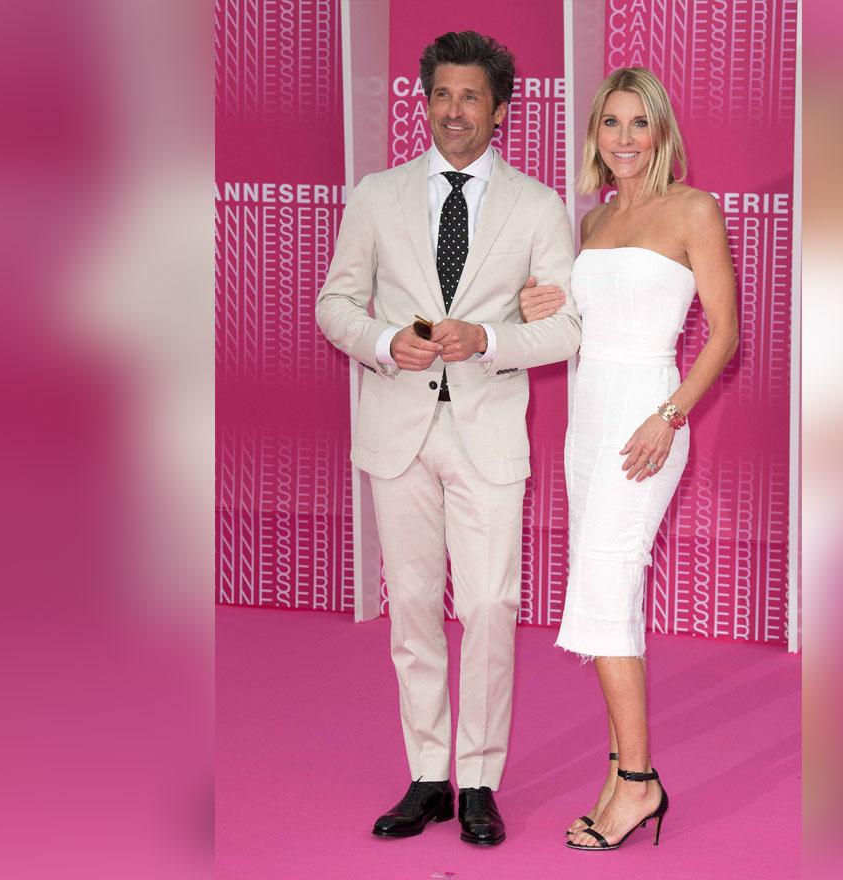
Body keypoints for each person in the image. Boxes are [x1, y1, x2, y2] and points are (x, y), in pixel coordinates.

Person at [315, 30, 580, 847]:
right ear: (422, 100)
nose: (454, 111)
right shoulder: (376, 195)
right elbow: (335, 304)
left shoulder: (538, 207)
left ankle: (478, 780)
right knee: (416, 611)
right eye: (441, 94)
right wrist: (383, 340)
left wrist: (491, 342)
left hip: (487, 433)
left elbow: (567, 328)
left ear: (500, 109)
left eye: (471, 97)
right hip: (397, 427)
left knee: (492, 604)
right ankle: (428, 773)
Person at [519, 66, 739, 851]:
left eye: (637, 123)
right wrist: (542, 306)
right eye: (610, 123)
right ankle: (621, 767)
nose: (623, 138)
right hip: (588, 422)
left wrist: (670, 415)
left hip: (649, 415)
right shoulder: (594, 223)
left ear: (660, 132)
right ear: (596, 135)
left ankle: (640, 785)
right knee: (612, 591)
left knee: (605, 583)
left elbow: (724, 334)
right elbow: (584, 325)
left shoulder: (694, 209)